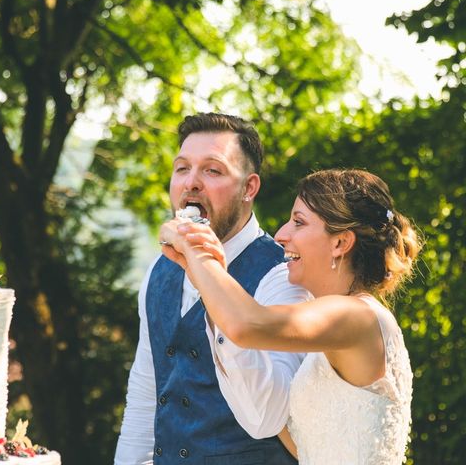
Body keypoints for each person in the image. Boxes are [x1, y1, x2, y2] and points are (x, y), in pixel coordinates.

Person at [159, 168, 420, 464]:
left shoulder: (357, 317)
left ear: (340, 243)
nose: (281, 235)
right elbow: (272, 424)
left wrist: (198, 252)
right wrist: (202, 276)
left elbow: (247, 324)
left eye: (298, 222)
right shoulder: (329, 335)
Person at [114, 112, 310, 464]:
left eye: (212, 170)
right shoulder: (158, 272)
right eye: (182, 168)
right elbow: (146, 392)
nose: (191, 183)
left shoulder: (283, 275)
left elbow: (276, 414)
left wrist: (210, 276)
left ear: (249, 188)